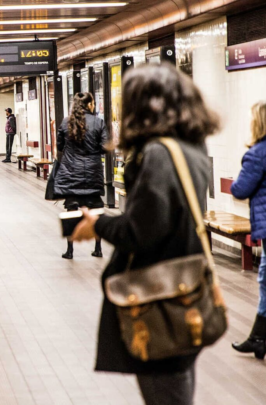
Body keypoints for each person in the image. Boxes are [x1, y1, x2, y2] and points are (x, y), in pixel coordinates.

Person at [71, 64, 219, 405]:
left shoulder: (159, 154)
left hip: (159, 299)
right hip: (185, 288)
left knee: (166, 394)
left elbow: (142, 230)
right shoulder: (191, 147)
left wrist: (98, 223)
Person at [230, 100, 266, 359]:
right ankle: (258, 337)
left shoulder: (257, 153)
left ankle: (258, 337)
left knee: (265, 279)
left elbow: (240, 189)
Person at [56, 92, 108, 259]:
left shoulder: (66, 122)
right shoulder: (98, 122)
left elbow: (59, 145)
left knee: (71, 210)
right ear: (90, 104)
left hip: (71, 173)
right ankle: (98, 248)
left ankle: (70, 250)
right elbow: (105, 146)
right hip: (93, 172)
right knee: (96, 209)